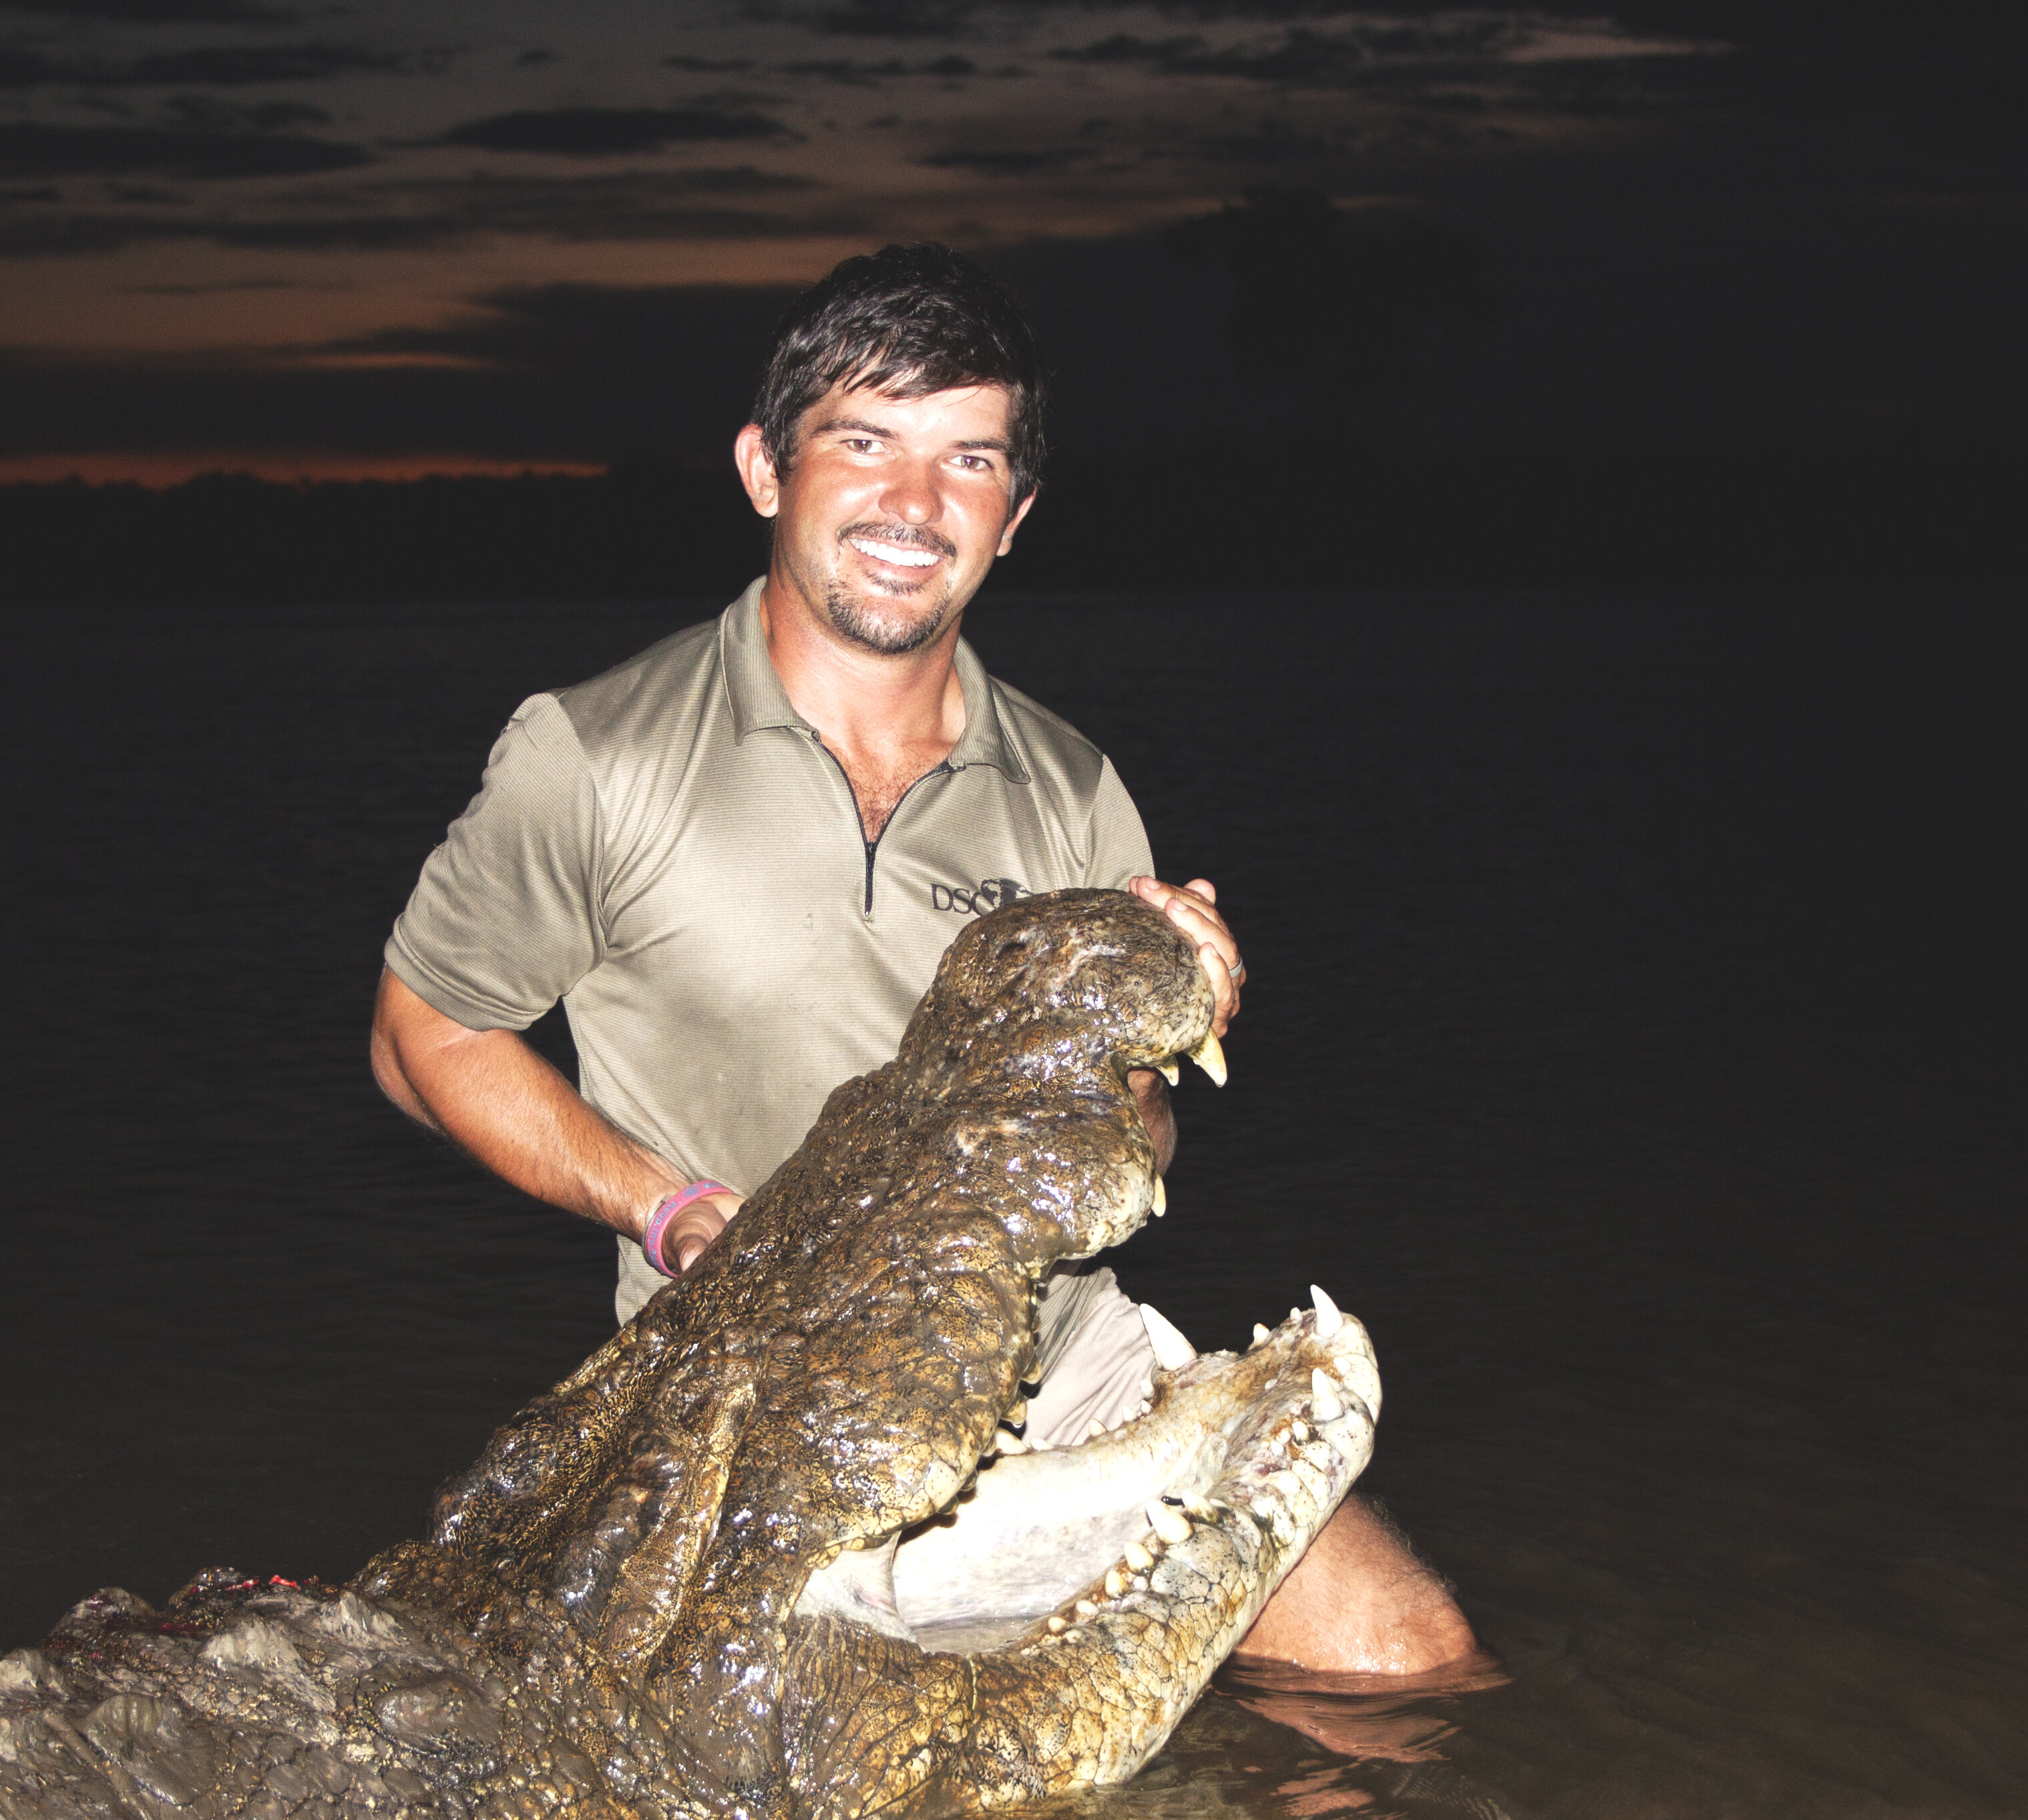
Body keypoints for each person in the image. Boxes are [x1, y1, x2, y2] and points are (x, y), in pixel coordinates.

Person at [371, 242, 1477, 1678]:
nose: (912, 504)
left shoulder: (1074, 788)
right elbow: (422, 1042)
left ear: (1014, 516)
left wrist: (1175, 1003)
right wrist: (668, 1208)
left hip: (1052, 1365)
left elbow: (1134, 1137)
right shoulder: (595, 755)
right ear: (767, 468)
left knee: (1407, 1663)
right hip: (758, 1406)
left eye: (969, 460)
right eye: (866, 441)